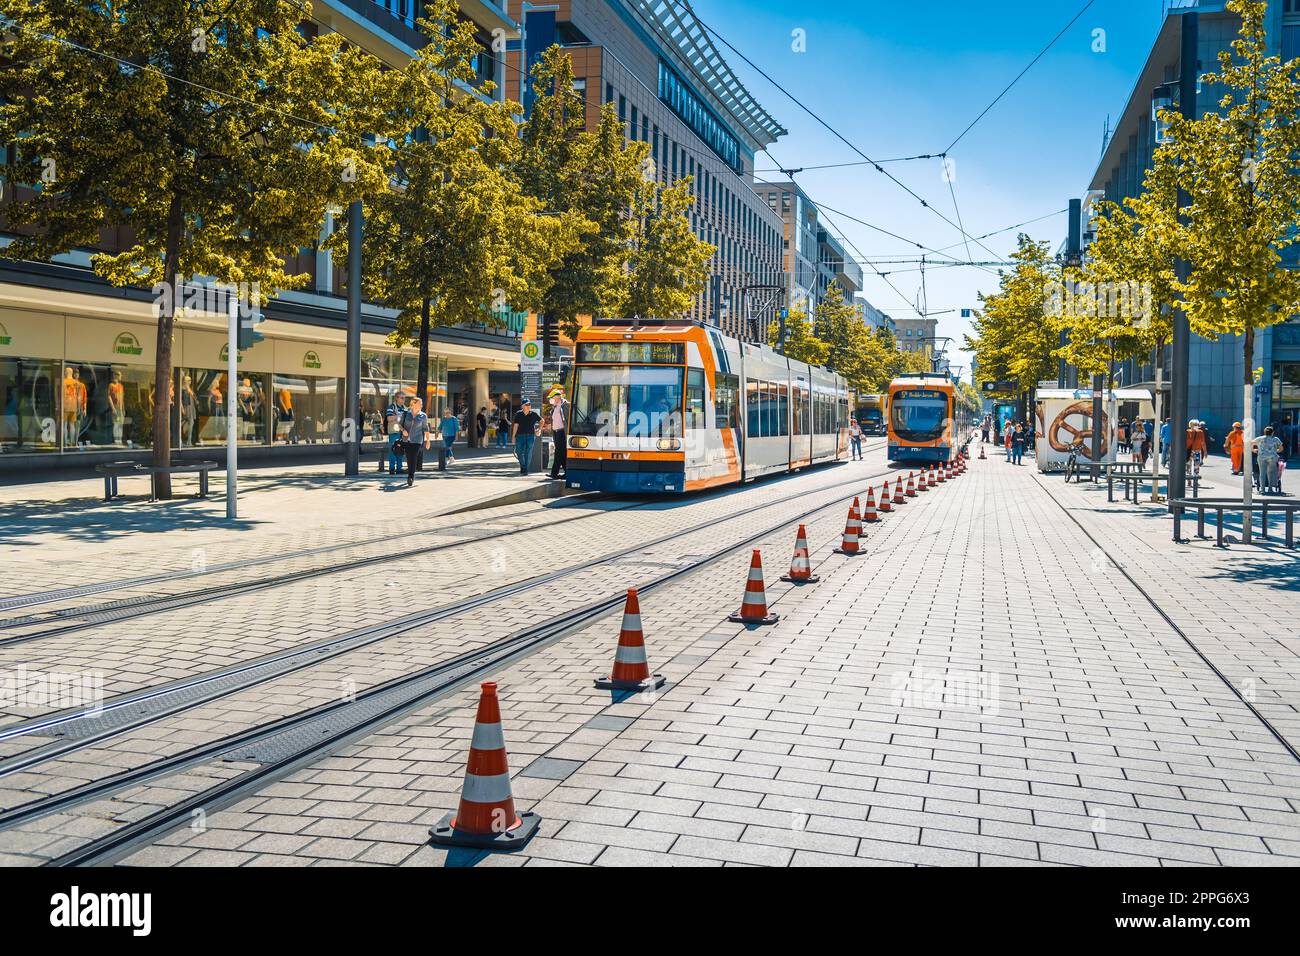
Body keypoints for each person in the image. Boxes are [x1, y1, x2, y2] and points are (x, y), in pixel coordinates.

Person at [399, 397, 432, 487]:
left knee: (413, 457)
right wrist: (403, 430)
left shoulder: (423, 416)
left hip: (417, 440)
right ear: (413, 404)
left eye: (421, 404)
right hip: (406, 440)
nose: (421, 405)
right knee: (409, 457)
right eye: (419, 404)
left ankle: (411, 477)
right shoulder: (406, 414)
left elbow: (426, 429)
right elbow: (399, 425)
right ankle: (410, 473)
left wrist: (428, 440)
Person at [512, 399, 541, 475]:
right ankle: (523, 466)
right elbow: (516, 426)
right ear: (522, 406)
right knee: (518, 451)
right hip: (520, 436)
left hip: (530, 436)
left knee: (528, 453)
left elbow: (542, 420)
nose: (529, 406)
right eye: (527, 405)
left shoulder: (533, 414)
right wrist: (513, 436)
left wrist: (539, 429)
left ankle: (525, 470)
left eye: (529, 404)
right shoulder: (518, 414)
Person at [546, 388, 570, 480]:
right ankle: (567, 473)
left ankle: (554, 473)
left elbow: (567, 419)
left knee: (558, 452)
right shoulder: (555, 407)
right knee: (562, 453)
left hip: (561, 432)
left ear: (557, 397)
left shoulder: (564, 405)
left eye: (551, 397)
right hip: (555, 432)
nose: (550, 400)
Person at [1254, 426, 1284, 495]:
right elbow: (1281, 448)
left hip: (1261, 457)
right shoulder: (1276, 439)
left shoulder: (1260, 438)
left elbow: (1251, 443)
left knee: (1262, 473)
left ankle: (1263, 490)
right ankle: (1270, 489)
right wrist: (1276, 451)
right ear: (1272, 433)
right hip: (1272, 458)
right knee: (1271, 473)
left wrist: (1254, 450)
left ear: (1264, 432)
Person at [384, 393, 407, 475]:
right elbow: (389, 418)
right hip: (394, 432)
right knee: (393, 450)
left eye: (404, 398)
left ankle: (399, 469)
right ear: (396, 398)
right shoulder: (392, 407)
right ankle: (392, 469)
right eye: (402, 398)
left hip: (402, 432)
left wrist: (396, 416)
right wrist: (398, 416)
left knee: (400, 450)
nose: (404, 400)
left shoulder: (404, 408)